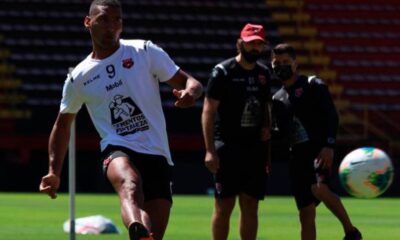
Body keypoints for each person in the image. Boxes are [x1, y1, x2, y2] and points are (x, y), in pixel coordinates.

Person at [39, 1, 203, 240]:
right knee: (129, 184)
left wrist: (190, 93)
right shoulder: (79, 77)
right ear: (88, 22)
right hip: (117, 147)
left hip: (157, 152)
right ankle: (136, 224)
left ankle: (142, 232)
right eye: (104, 19)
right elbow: (62, 125)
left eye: (117, 20)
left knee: (154, 235)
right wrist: (54, 171)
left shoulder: (144, 51)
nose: (111, 26)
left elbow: (191, 82)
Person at [271, 43, 362, 240]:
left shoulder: (313, 84)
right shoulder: (276, 99)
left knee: (319, 188)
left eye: (286, 62)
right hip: (297, 158)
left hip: (318, 152)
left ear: (295, 64)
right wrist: (268, 134)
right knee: (305, 213)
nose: (281, 66)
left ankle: (351, 231)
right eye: (276, 62)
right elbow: (282, 133)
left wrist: (329, 145)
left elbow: (332, 115)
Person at [201, 23, 272, 240]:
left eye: (259, 44)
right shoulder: (223, 72)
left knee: (251, 206)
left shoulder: (264, 74)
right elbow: (208, 111)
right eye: (251, 43)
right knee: (224, 205)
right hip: (228, 148)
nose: (255, 48)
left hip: (255, 150)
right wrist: (210, 150)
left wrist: (267, 139)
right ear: (240, 43)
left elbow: (266, 109)